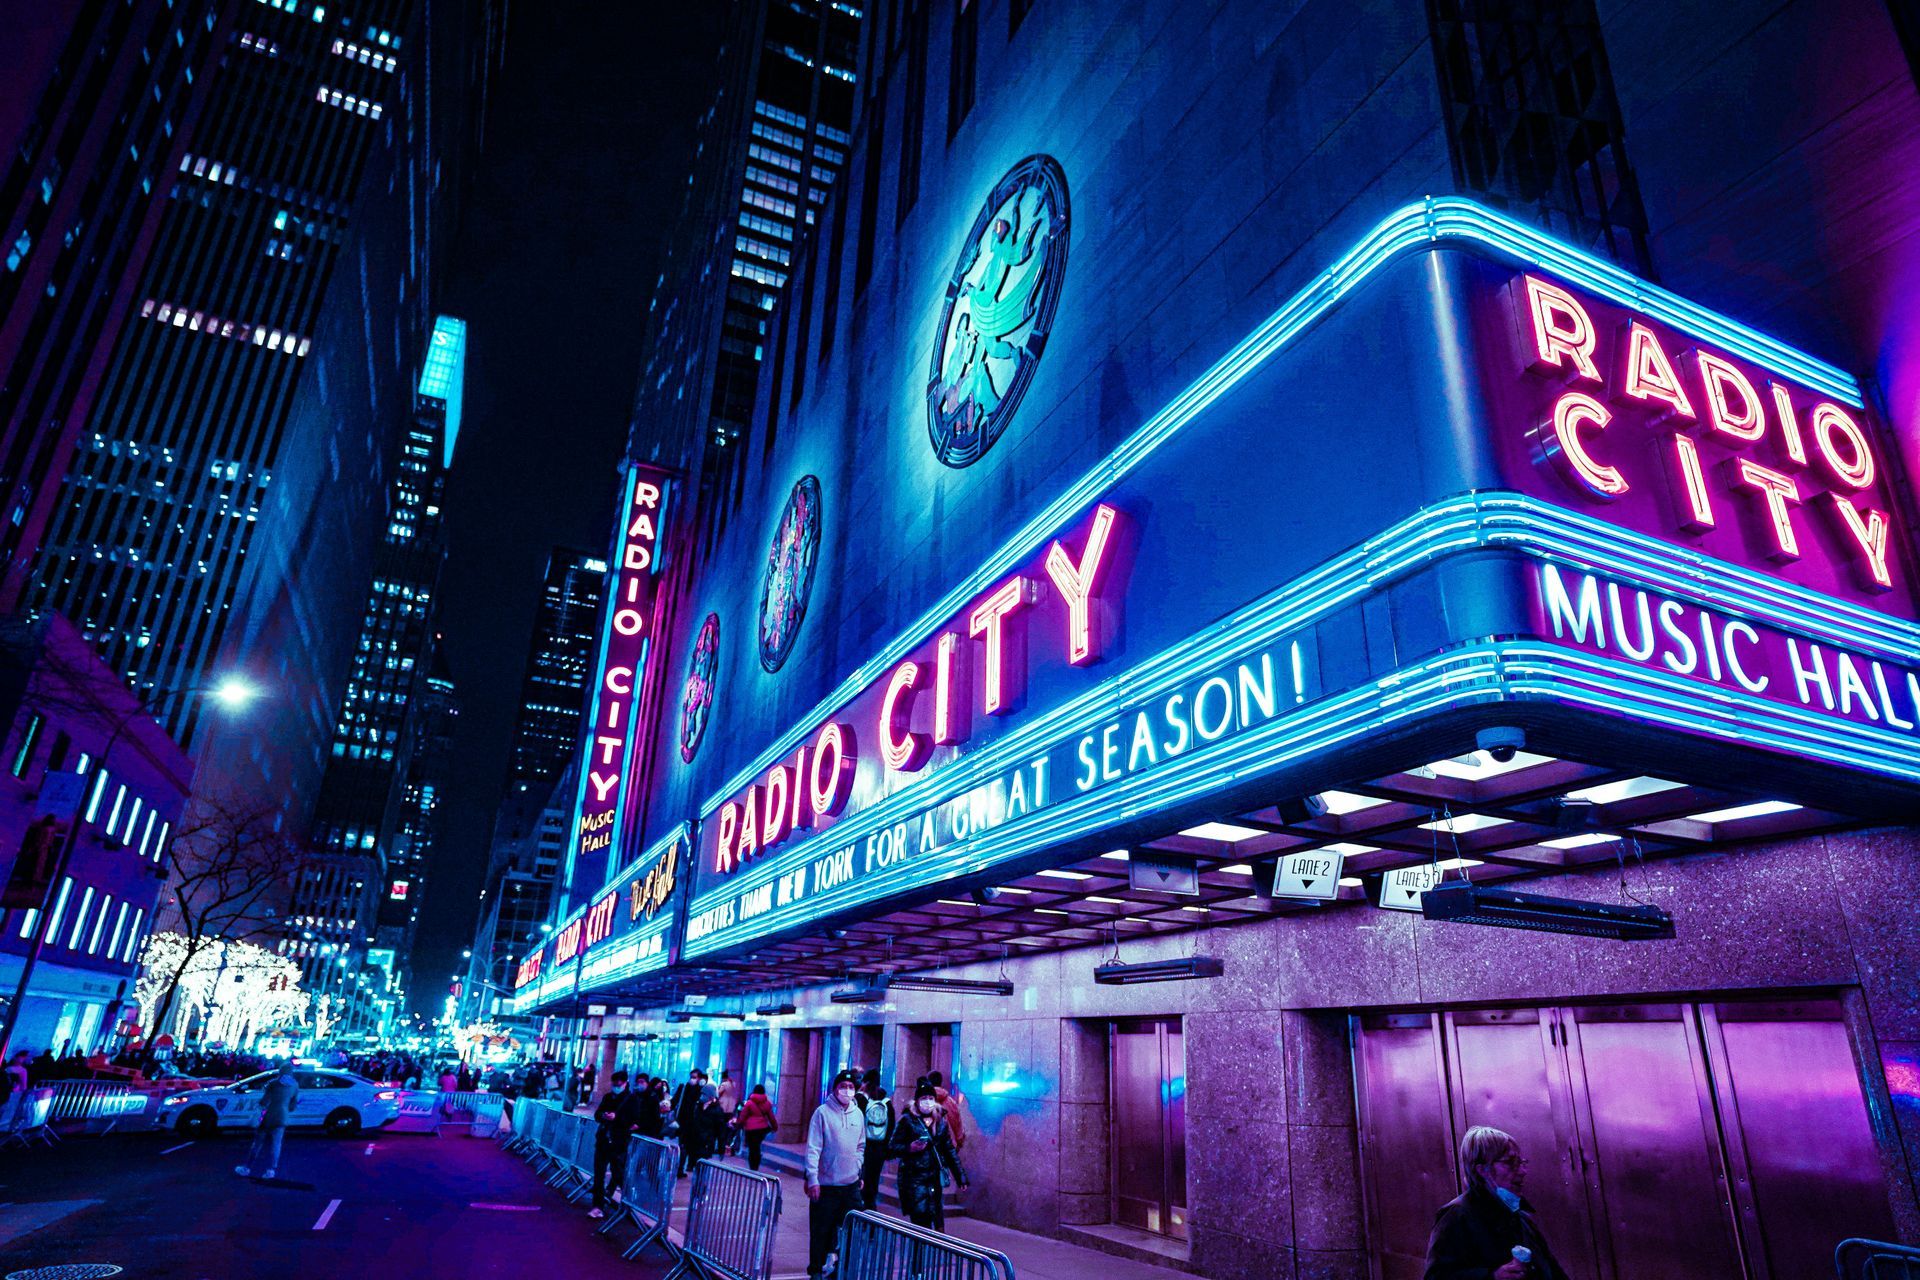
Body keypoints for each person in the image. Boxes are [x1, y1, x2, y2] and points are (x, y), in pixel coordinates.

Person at [1425, 1126, 1570, 1280]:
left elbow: (1552, 1270)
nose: (1522, 1171)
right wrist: (1492, 1276)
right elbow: (1436, 1277)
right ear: (1482, 1170)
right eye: (1509, 1163)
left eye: (1521, 1162)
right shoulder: (1457, 1216)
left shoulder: (1521, 1217)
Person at [805, 1070, 866, 1280]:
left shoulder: (858, 1114)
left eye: (851, 1087)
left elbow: (861, 1145)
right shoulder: (822, 1113)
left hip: (850, 1184)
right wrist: (812, 1178)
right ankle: (816, 1269)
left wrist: (858, 1170)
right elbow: (813, 1147)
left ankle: (842, 1267)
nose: (847, 1091)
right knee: (821, 1229)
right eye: (843, 1086)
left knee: (851, 1229)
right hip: (826, 1184)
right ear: (835, 1088)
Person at [891, 1080, 967, 1230]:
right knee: (921, 1223)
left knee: (938, 1223)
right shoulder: (907, 1120)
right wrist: (909, 1148)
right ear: (917, 1101)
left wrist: (960, 1177)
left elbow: (949, 1150)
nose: (928, 1102)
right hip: (914, 1179)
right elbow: (892, 1146)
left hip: (934, 1179)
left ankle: (933, 1252)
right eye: (924, 1098)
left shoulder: (940, 1121)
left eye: (931, 1098)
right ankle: (919, 1253)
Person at [588, 1070, 642, 1220]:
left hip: (619, 1141)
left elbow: (635, 1120)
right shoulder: (608, 1097)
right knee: (599, 1174)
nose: (616, 1086)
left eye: (619, 1084)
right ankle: (597, 1206)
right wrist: (604, 1116)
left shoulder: (632, 1099)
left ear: (625, 1083)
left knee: (618, 1173)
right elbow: (597, 1114)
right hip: (604, 1140)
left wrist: (616, 1118)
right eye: (614, 1084)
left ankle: (627, 1203)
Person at [235, 1061, 300, 1181]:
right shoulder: (295, 1085)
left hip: (268, 1116)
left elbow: (265, 1101)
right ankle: (271, 1170)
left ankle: (247, 1168)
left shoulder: (273, 1083)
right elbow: (292, 1105)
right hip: (283, 1117)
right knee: (276, 1145)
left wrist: (260, 1106)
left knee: (257, 1143)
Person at [855, 1071, 893, 1209]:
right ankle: (871, 1207)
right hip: (879, 1149)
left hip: (863, 1146)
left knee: (861, 1177)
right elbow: (891, 1127)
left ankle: (861, 1208)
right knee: (873, 1179)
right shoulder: (886, 1101)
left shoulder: (861, 1099)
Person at [671, 1068, 708, 1175]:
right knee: (682, 1146)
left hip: (695, 1124)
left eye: (695, 1077)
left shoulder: (702, 1090)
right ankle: (680, 1168)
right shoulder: (684, 1088)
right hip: (683, 1122)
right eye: (691, 1077)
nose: (692, 1080)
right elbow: (676, 1100)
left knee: (692, 1146)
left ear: (700, 1078)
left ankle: (690, 1165)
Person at [736, 1083, 777, 1170]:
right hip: (762, 1129)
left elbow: (743, 1116)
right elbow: (771, 1117)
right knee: (757, 1146)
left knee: (752, 1147)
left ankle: (752, 1166)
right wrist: (775, 1127)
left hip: (750, 1129)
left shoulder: (749, 1103)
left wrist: (739, 1124)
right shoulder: (767, 1103)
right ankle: (756, 1164)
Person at [926, 1070, 966, 1151]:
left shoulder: (923, 1102)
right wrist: (958, 1142)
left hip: (929, 1148)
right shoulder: (951, 1102)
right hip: (949, 1147)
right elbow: (957, 1123)